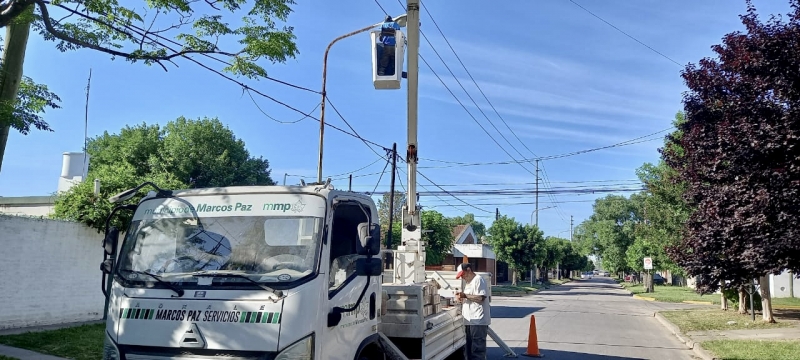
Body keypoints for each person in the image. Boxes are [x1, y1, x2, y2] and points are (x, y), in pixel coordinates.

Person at [455, 263, 491, 360]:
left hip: (478, 320)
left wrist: (465, 296)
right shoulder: (469, 283)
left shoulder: (478, 280)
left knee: (477, 350)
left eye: (463, 274)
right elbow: (472, 298)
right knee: (469, 350)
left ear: (469, 270)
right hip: (470, 321)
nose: (462, 277)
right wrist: (463, 299)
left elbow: (481, 297)